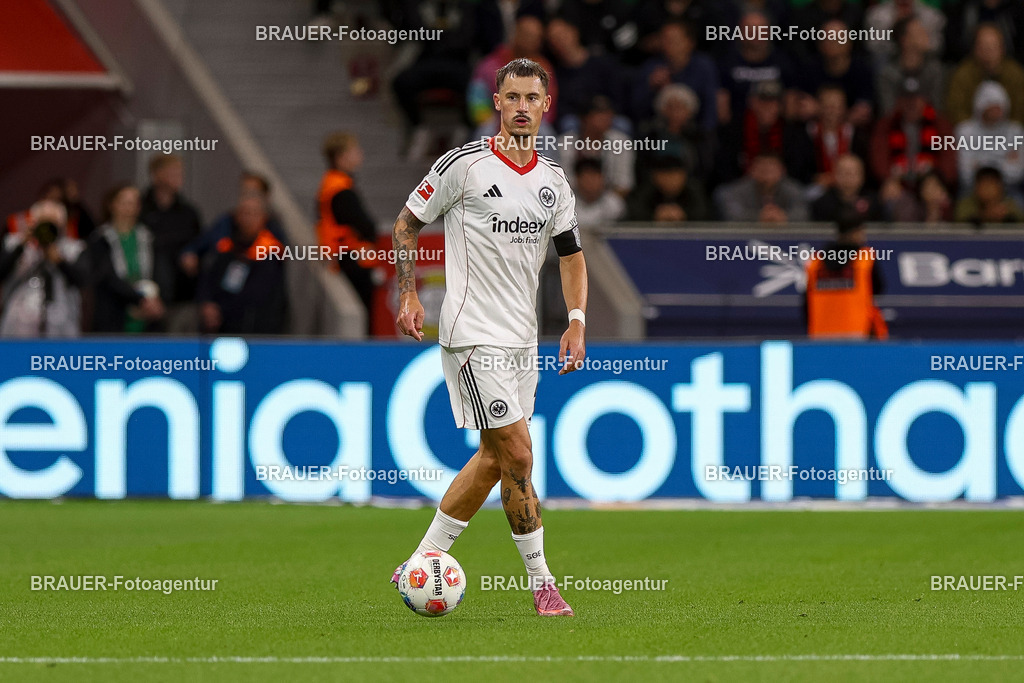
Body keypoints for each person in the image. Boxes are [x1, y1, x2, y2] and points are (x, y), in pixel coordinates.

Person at [389, 58, 585, 617]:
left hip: (523, 341)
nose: (522, 107)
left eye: (532, 98)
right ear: (496, 103)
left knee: (495, 460)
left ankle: (423, 557)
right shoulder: (464, 166)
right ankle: (543, 584)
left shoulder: (553, 183)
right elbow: (407, 223)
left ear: (546, 106)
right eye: (512, 97)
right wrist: (408, 294)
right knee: (520, 453)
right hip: (471, 335)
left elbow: (572, 256)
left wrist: (577, 319)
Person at [197, 195, 287, 334]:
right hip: (222, 328)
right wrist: (207, 303)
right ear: (236, 216)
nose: (248, 219)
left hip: (256, 330)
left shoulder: (271, 251)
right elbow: (209, 278)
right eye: (244, 213)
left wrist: (221, 309)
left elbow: (258, 293)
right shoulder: (226, 246)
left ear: (263, 218)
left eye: (253, 213)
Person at [315, 131, 379, 329]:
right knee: (363, 320)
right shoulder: (340, 190)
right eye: (354, 151)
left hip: (345, 258)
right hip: (350, 261)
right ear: (341, 157)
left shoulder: (332, 184)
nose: (360, 154)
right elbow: (366, 225)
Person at [0, 199, 87, 337]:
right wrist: (22, 245)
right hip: (18, 322)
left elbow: (83, 280)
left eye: (52, 224)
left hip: (62, 322)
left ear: (63, 225)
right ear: (33, 222)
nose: (46, 231)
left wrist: (59, 260)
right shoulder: (14, 243)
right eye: (43, 223)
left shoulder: (74, 249)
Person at [88, 184, 166, 333]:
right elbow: (107, 276)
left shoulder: (149, 237)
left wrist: (155, 300)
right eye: (124, 202)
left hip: (147, 315)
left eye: (134, 203)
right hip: (113, 316)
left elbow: (161, 272)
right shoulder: (100, 239)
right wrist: (138, 300)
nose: (129, 208)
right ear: (112, 205)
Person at [179, 171, 286, 278]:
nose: (247, 198)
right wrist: (190, 253)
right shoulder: (226, 223)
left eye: (252, 193)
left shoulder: (273, 235)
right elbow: (200, 243)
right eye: (244, 192)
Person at [804, 212, 888, 340]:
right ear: (855, 232)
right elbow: (878, 289)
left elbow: (805, 306)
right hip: (857, 337)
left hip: (820, 338)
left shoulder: (815, 263)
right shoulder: (865, 259)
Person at [140, 154, 202, 308]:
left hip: (183, 294)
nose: (179, 178)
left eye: (180, 173)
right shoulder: (140, 209)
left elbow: (200, 244)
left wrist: (193, 256)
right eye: (172, 173)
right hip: (146, 296)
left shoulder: (188, 212)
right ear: (157, 175)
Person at [946, 23, 1024, 125]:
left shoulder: (1015, 74)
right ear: (974, 48)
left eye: (993, 46)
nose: (988, 51)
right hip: (972, 134)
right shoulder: (963, 74)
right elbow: (955, 110)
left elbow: (1020, 111)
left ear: (1002, 48)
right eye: (983, 46)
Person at [954, 81, 1024, 194]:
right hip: (973, 190)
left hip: (1008, 189)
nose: (997, 111)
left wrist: (980, 164)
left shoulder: (1015, 131)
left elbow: (1018, 172)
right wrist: (1003, 162)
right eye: (993, 107)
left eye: (1000, 107)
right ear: (981, 106)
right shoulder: (965, 131)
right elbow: (965, 174)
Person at [713, 153, 809, 223]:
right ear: (751, 171)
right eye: (762, 170)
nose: (766, 175)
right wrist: (759, 217)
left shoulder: (793, 189)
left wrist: (783, 216)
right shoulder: (736, 191)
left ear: (782, 171)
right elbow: (732, 214)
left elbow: (803, 213)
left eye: (771, 170)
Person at [626, 154, 709, 222]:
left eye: (674, 175)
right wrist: (654, 215)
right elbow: (634, 212)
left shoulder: (693, 189)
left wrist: (684, 215)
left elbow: (704, 213)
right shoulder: (646, 190)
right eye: (665, 175)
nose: (670, 180)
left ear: (684, 176)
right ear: (655, 176)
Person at [811, 154, 882, 223]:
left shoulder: (874, 203)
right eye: (843, 172)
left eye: (852, 173)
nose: (848, 177)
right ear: (834, 175)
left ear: (862, 176)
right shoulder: (822, 205)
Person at [954, 166, 1024, 225]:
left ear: (1000, 187)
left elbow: (1019, 222)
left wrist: (1005, 217)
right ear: (976, 187)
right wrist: (985, 216)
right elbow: (960, 222)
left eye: (991, 184)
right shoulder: (966, 203)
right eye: (984, 185)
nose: (987, 190)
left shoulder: (1010, 204)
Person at [573, 158, 625, 225]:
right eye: (587, 178)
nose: (591, 182)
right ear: (577, 179)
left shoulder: (614, 204)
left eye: (594, 177)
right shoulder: (566, 204)